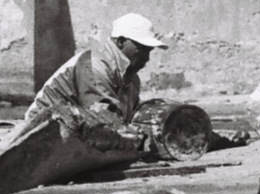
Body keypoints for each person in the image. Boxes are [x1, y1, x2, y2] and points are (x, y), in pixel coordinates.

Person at [21, 12, 167, 128]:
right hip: (40, 129)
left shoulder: (131, 79)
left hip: (75, 131)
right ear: (121, 42)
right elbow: (105, 121)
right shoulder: (93, 66)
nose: (146, 58)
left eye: (149, 51)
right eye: (142, 49)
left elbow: (130, 118)